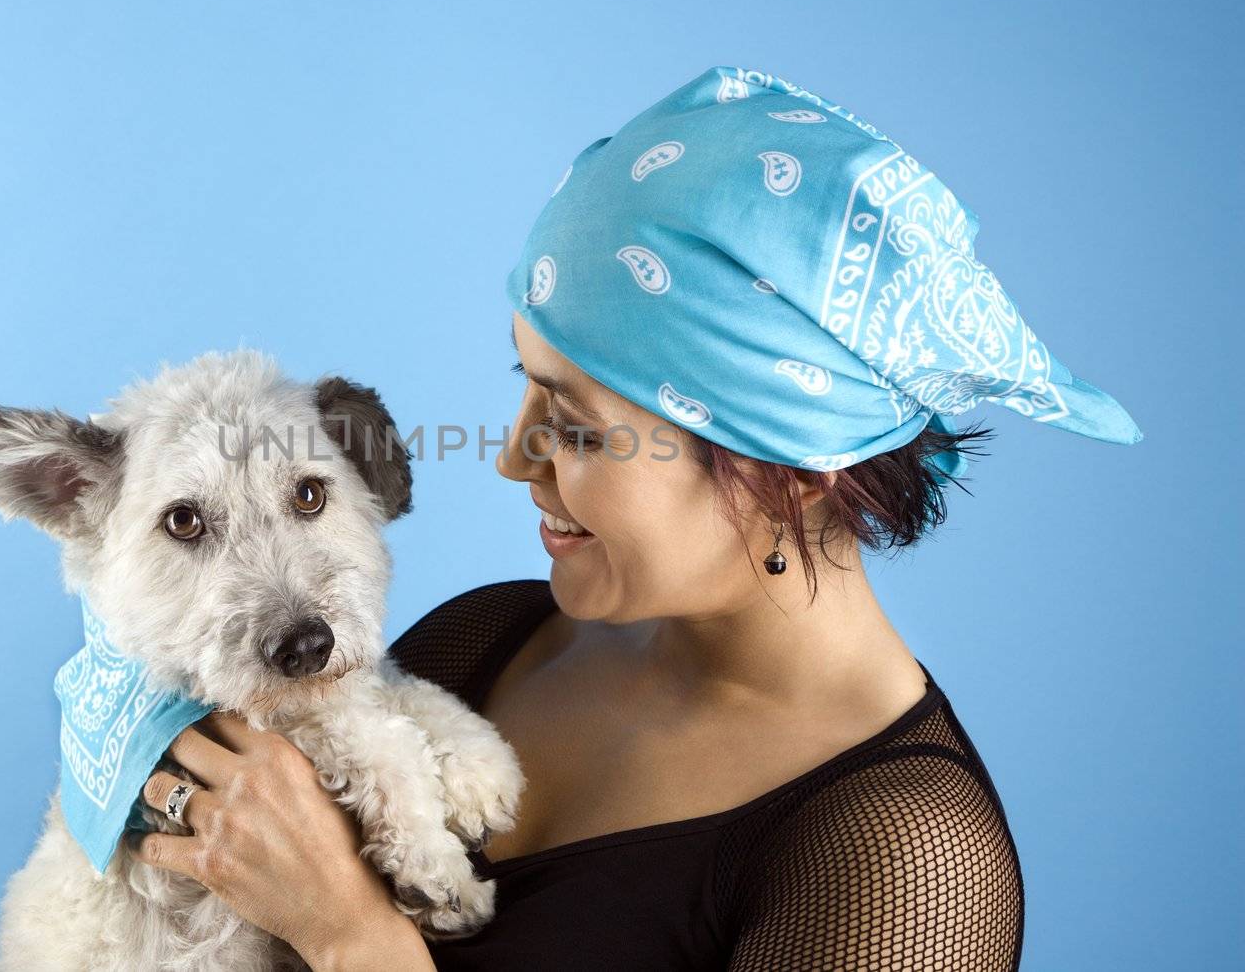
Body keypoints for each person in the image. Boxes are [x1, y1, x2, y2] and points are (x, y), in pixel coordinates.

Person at [123, 66, 1142, 970]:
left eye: (572, 424)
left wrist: (353, 937)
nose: (512, 454)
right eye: (525, 388)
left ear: (782, 463)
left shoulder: (904, 860)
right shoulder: (487, 635)